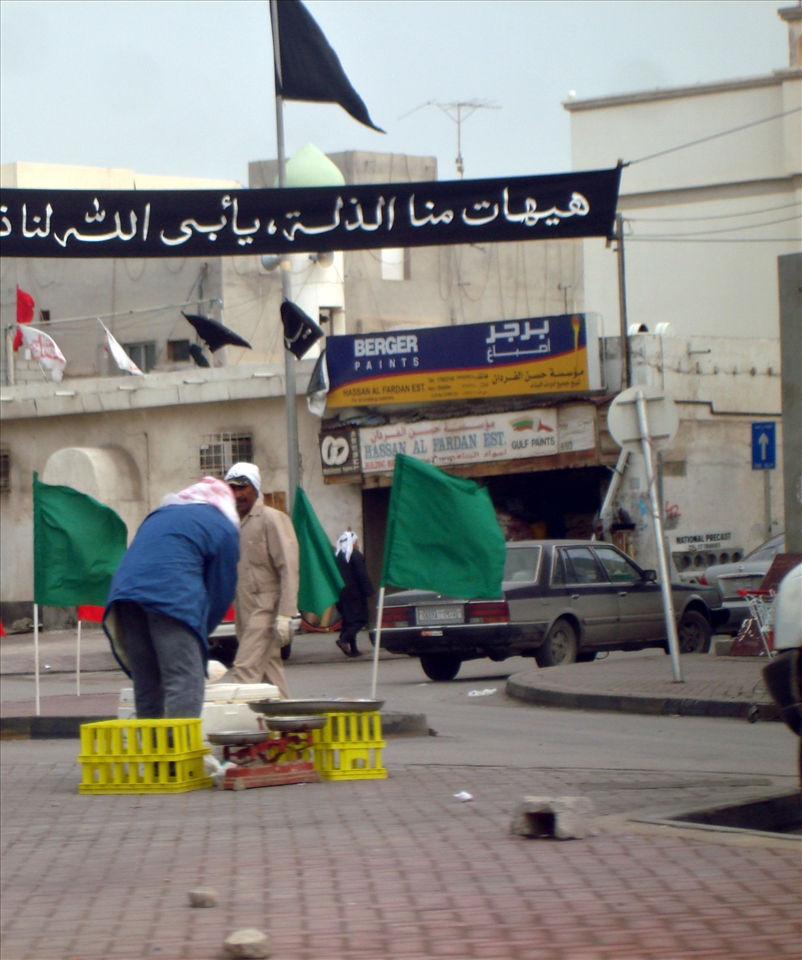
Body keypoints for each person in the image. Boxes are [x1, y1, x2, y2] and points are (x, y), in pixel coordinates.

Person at [103, 477, 240, 719]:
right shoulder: (224, 528)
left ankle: (154, 754)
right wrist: (200, 633)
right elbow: (221, 592)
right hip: (171, 597)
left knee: (147, 682)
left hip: (124, 596)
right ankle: (179, 753)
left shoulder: (160, 514)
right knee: (185, 680)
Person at [224, 462, 299, 698]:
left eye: (243, 487)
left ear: (255, 488)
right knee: (269, 673)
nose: (238, 494)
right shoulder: (233, 524)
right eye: (233, 488)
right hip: (244, 609)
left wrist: (287, 613)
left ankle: (239, 726)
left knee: (245, 670)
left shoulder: (271, 518)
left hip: (267, 609)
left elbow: (288, 567)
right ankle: (287, 724)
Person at [334, 531, 374, 658]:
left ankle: (353, 649)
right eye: (356, 542)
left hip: (341, 593)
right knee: (361, 619)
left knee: (348, 620)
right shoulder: (355, 555)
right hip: (355, 593)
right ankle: (344, 640)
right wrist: (369, 591)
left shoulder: (338, 556)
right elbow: (362, 575)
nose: (357, 544)